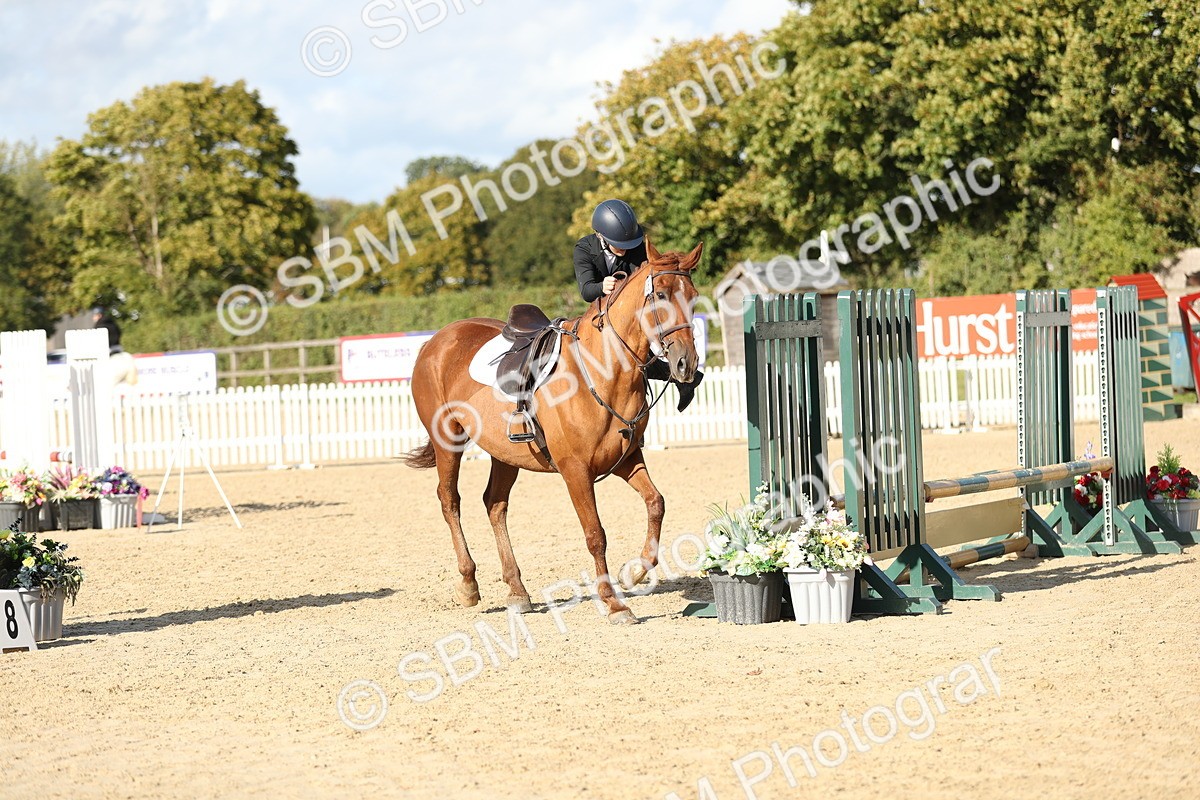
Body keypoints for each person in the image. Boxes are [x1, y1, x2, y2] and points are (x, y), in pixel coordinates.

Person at [573, 199, 702, 412]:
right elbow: (586, 291)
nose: (626, 250)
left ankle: (680, 379)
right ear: (600, 237)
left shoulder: (637, 247)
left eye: (629, 245)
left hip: (631, 314)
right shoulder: (584, 249)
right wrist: (601, 287)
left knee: (643, 346)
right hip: (599, 313)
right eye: (619, 245)